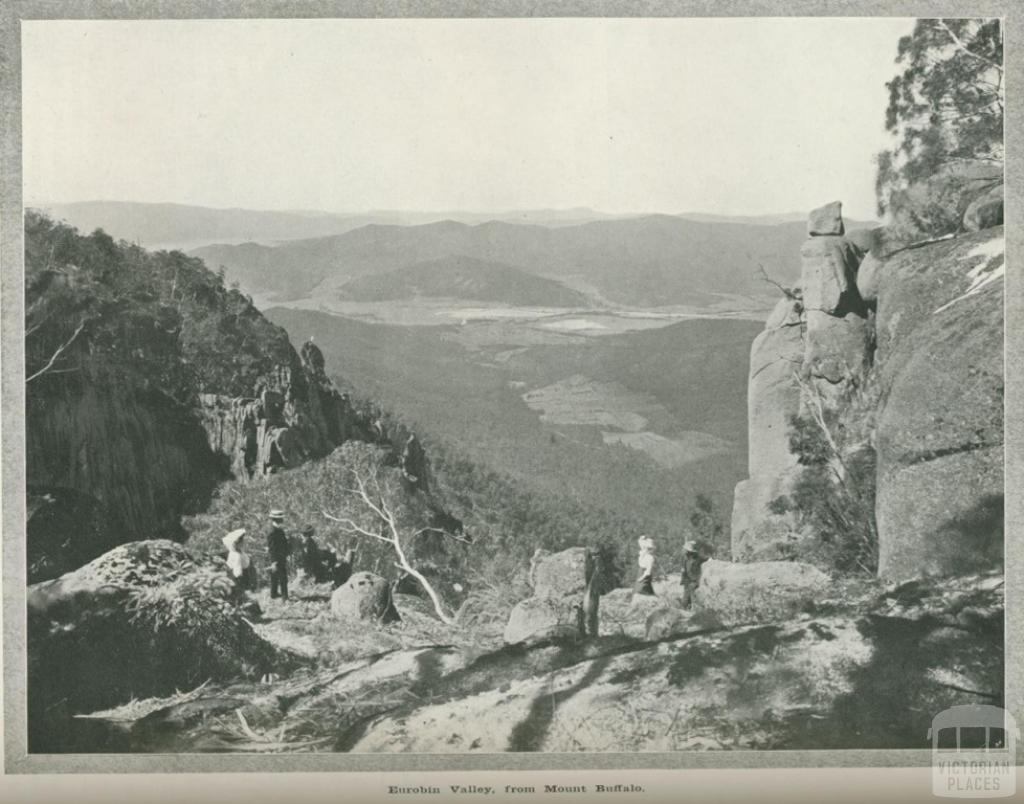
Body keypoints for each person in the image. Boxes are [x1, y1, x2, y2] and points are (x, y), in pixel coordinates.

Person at [267, 509, 291, 600]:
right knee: (283, 578)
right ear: (274, 520)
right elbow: (272, 548)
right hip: (277, 558)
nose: (281, 521)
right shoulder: (272, 532)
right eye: (279, 520)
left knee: (275, 576)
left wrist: (287, 551)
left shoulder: (279, 530)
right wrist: (274, 561)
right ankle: (285, 597)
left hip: (281, 556)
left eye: (281, 519)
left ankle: (273, 594)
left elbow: (283, 543)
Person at [680, 539, 709, 609]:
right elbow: (684, 569)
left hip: (694, 580)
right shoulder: (686, 558)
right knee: (686, 599)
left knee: (692, 597)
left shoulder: (698, 558)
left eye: (686, 550)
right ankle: (687, 608)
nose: (684, 551)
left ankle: (693, 608)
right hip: (687, 580)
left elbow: (706, 559)